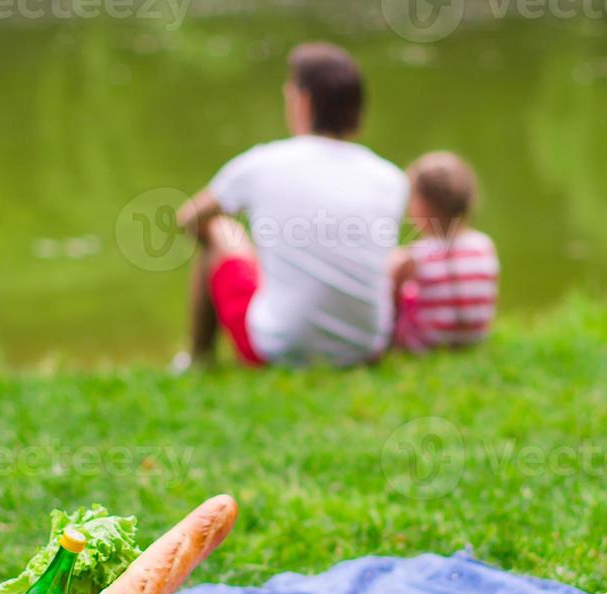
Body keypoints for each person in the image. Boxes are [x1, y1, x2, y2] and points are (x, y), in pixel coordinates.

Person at [175, 43, 407, 370]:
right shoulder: (392, 178)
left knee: (219, 228)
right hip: (365, 350)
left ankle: (197, 359)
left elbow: (188, 219)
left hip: (279, 350)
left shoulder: (262, 162)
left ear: (303, 101)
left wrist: (255, 256)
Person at [388, 151, 500, 352]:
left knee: (399, 274)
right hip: (477, 336)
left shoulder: (417, 255)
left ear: (422, 208)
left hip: (428, 343)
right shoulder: (484, 245)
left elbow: (391, 294)